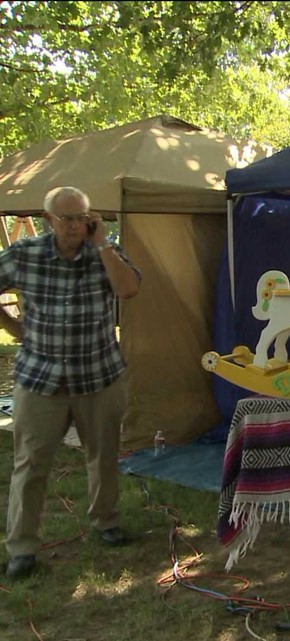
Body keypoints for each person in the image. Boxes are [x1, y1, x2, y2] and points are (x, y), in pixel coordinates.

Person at [2, 187, 141, 580]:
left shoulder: (104, 252)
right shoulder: (24, 254)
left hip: (98, 375)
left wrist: (103, 245)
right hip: (40, 378)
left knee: (104, 454)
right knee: (30, 463)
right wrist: (13, 327)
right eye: (67, 218)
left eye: (82, 217)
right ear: (49, 220)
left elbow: (129, 289)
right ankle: (22, 547)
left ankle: (106, 520)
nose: (76, 225)